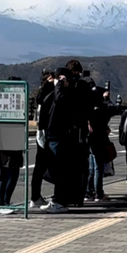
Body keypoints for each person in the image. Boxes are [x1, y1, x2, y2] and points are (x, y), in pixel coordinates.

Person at [41, 60, 96, 213]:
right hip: (67, 135)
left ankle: (60, 201)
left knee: (59, 169)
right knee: (64, 169)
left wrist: (59, 84)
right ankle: (63, 199)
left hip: (63, 135)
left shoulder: (70, 91)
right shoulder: (77, 88)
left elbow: (59, 100)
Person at [29, 70, 55, 209]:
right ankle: (35, 196)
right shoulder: (46, 95)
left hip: (41, 134)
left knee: (39, 168)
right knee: (42, 167)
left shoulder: (42, 94)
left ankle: (35, 196)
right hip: (45, 135)